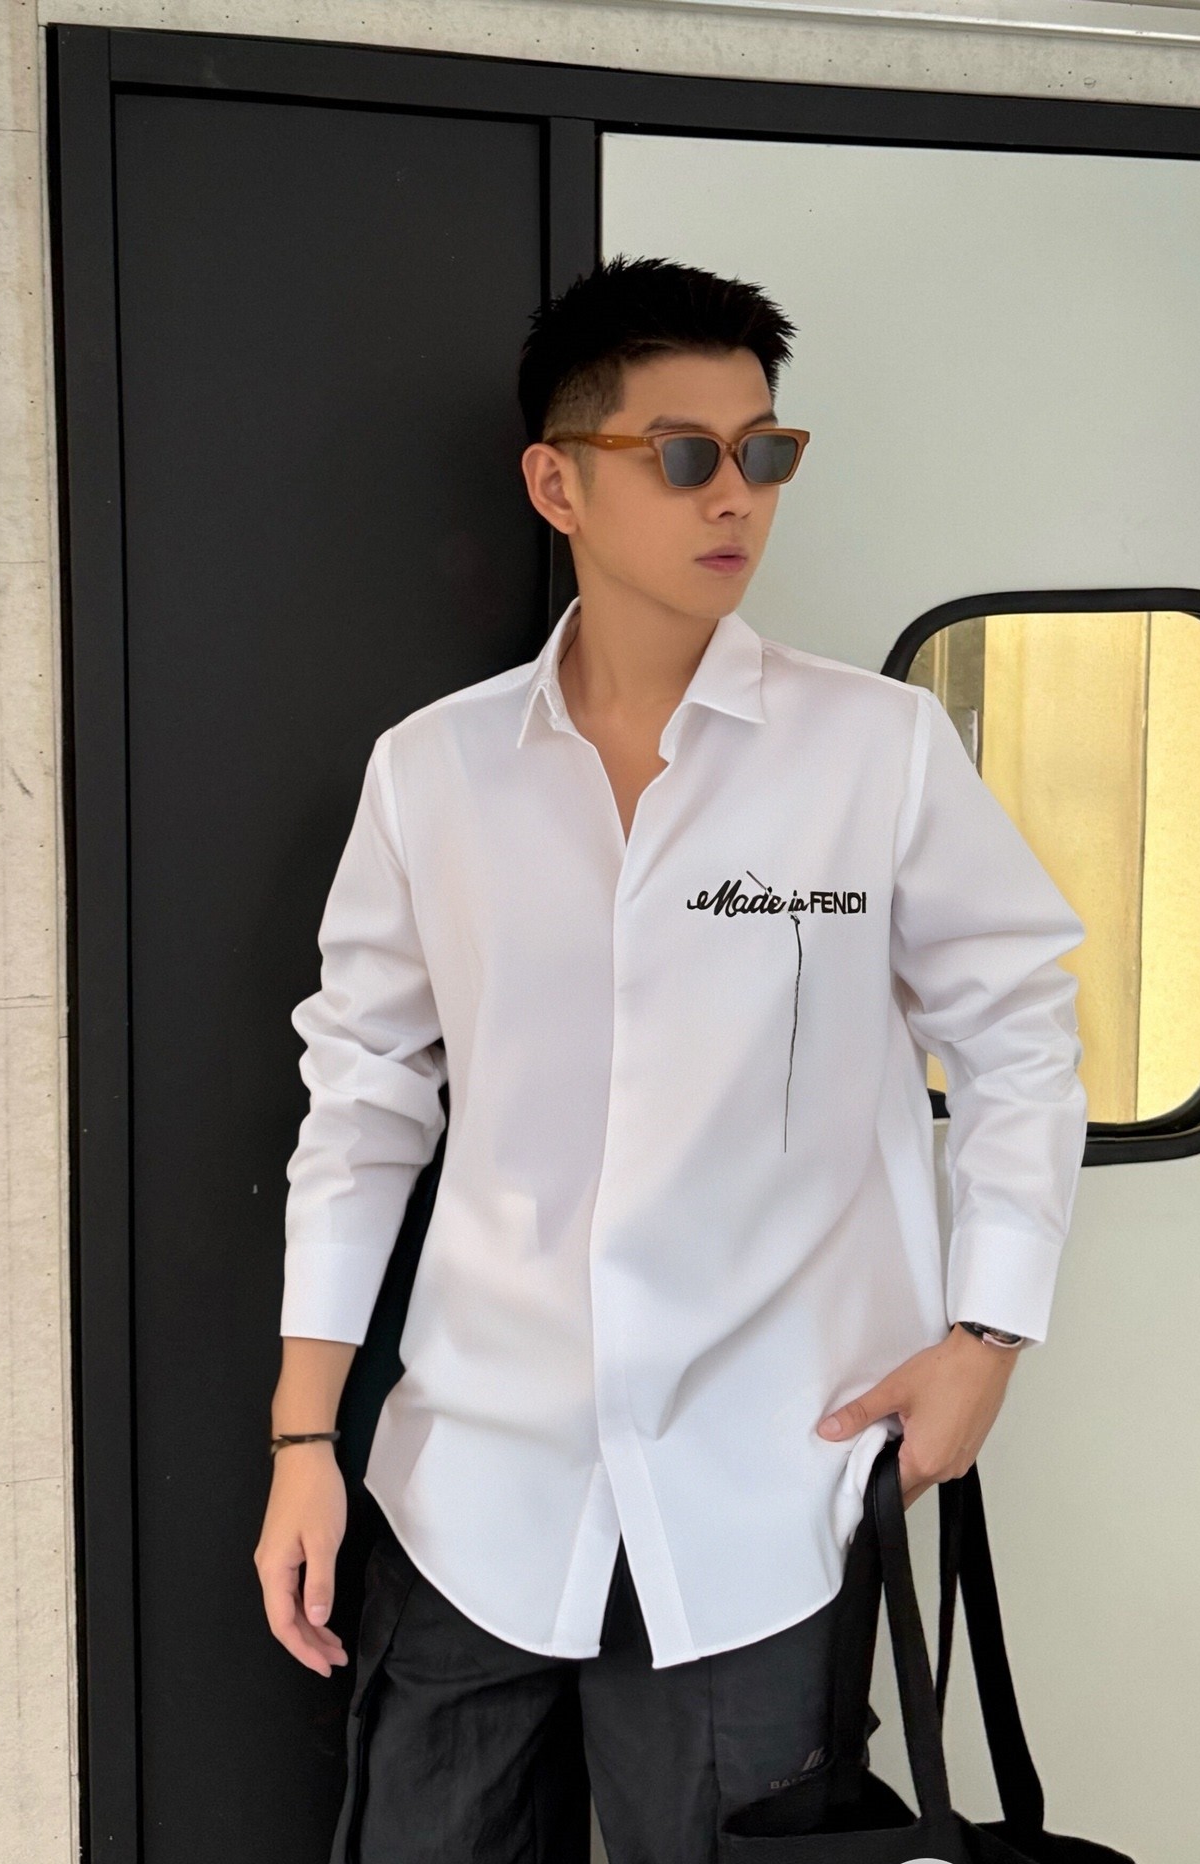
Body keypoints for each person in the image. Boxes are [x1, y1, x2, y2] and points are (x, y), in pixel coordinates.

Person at [253, 253, 1088, 1863]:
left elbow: (1018, 1033)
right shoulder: (435, 774)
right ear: (556, 483)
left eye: (764, 452)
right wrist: (305, 1442)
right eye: (686, 453)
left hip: (765, 1496)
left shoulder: (875, 752)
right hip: (474, 1496)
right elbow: (360, 1108)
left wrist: (989, 1335)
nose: (735, 496)